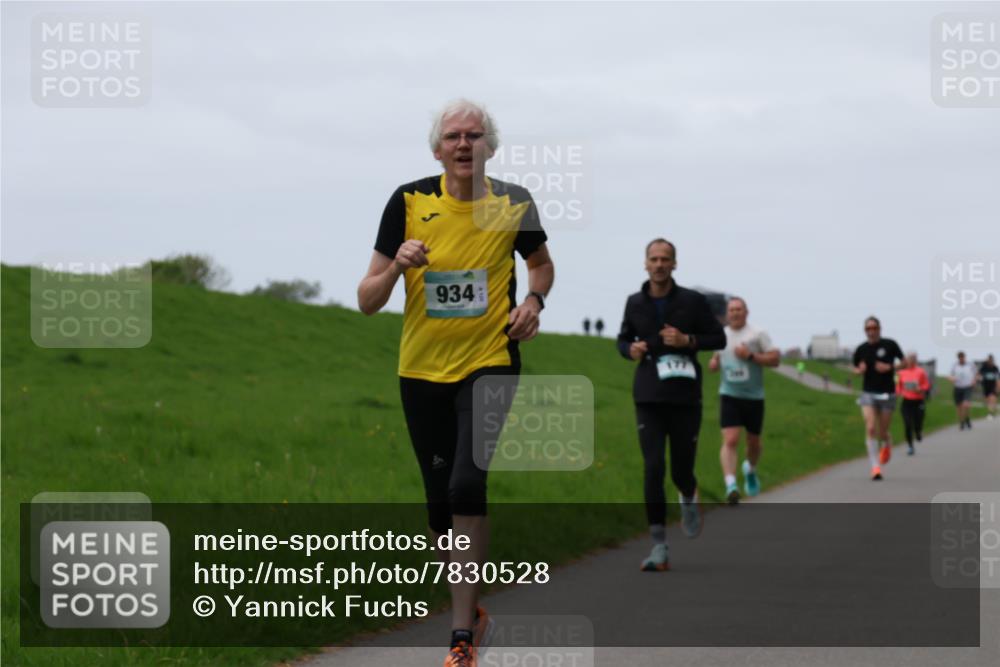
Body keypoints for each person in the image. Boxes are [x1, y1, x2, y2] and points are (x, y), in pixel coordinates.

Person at [357, 99, 553, 667]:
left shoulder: (514, 202)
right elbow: (367, 300)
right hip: (421, 371)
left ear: (490, 145)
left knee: (468, 484)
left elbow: (541, 265)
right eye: (453, 137)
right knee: (440, 507)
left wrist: (533, 302)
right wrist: (397, 265)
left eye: (474, 135)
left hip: (491, 360)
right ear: (437, 149)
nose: (464, 144)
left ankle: (460, 638)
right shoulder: (408, 202)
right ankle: (475, 613)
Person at [616, 239, 726, 571]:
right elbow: (623, 338)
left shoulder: (692, 301)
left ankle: (689, 494)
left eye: (665, 259)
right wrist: (630, 350)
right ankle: (658, 545)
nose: (659, 264)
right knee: (653, 467)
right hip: (648, 395)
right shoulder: (635, 302)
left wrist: (687, 340)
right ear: (645, 264)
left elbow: (718, 338)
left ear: (674, 264)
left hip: (684, 396)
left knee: (680, 469)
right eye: (654, 259)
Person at [707, 297, 780, 504]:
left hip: (754, 397)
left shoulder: (757, 333)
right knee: (730, 439)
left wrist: (750, 356)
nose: (735, 313)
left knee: (753, 442)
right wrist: (714, 362)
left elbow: (775, 359)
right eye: (731, 310)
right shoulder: (721, 335)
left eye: (739, 309)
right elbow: (716, 356)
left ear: (746, 312)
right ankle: (731, 485)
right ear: (727, 314)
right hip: (729, 394)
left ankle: (750, 469)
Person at [851, 316, 904, 480]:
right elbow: (855, 368)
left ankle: (887, 441)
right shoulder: (861, 349)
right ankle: (875, 467)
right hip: (868, 393)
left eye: (874, 328)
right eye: (868, 328)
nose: (871, 331)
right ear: (865, 331)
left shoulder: (890, 344)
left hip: (887, 393)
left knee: (882, 432)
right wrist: (859, 370)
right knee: (870, 428)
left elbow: (904, 363)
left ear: (879, 329)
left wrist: (890, 367)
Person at [896, 352, 930, 455]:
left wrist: (920, 388)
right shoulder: (900, 373)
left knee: (918, 422)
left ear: (915, 361)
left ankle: (918, 432)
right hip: (906, 402)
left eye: (913, 359)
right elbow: (897, 386)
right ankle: (910, 446)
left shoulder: (921, 372)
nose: (911, 361)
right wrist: (898, 393)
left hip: (918, 401)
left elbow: (926, 385)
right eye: (909, 359)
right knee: (907, 424)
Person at [950, 351, 976, 430]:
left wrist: (974, 381)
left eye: (963, 357)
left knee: (965, 404)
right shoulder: (955, 365)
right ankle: (961, 421)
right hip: (958, 387)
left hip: (967, 387)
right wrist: (952, 379)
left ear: (964, 357)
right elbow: (950, 375)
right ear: (958, 358)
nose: (961, 359)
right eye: (960, 357)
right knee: (959, 406)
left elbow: (976, 374)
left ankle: (967, 418)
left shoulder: (970, 365)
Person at [978, 353, 998, 420]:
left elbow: (998, 378)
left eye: (991, 360)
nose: (990, 361)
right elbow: (978, 374)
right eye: (989, 360)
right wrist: (979, 378)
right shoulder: (984, 367)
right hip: (986, 385)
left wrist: (998, 387)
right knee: (987, 400)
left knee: (992, 398)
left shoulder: (995, 368)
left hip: (993, 386)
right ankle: (991, 411)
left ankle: (990, 413)